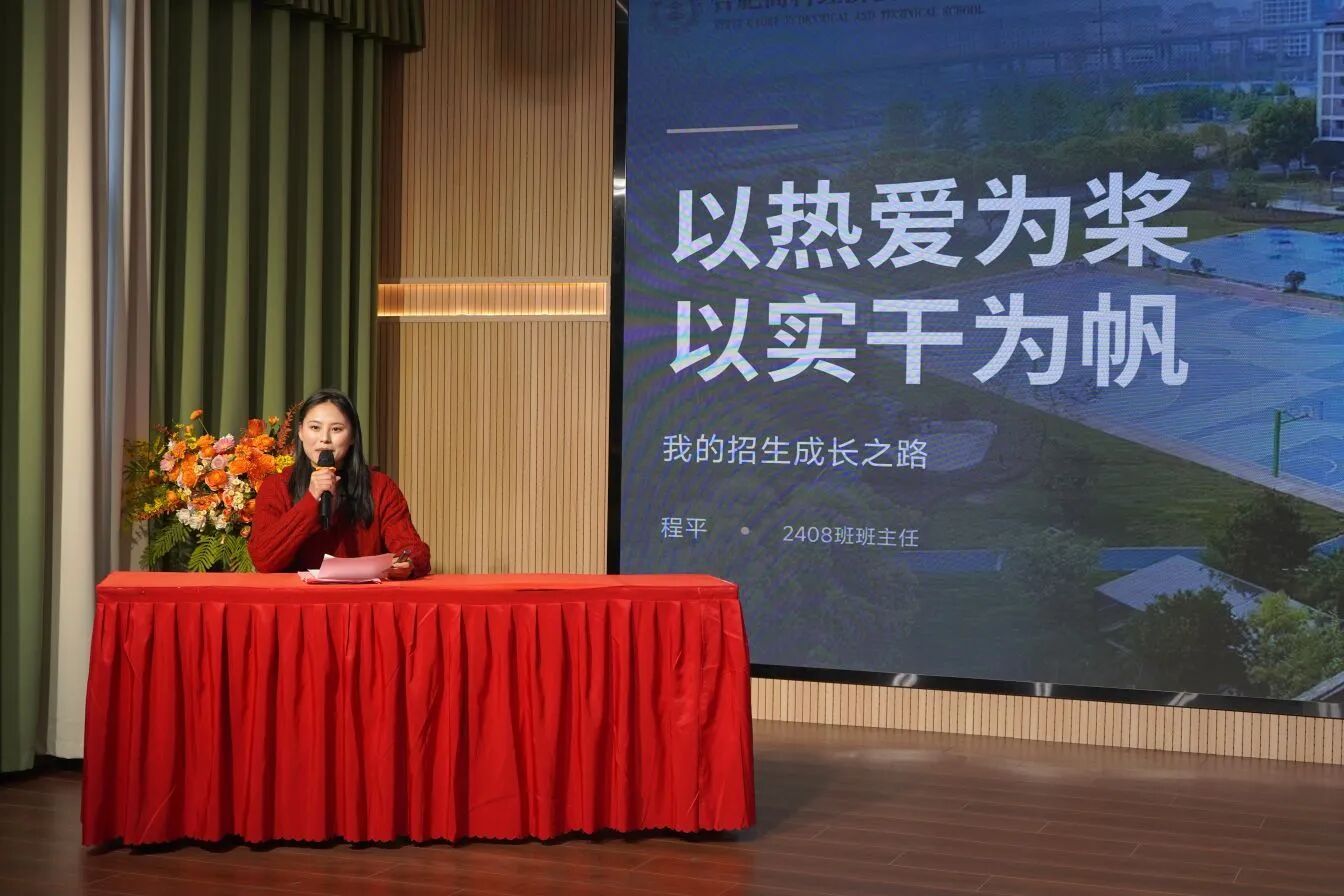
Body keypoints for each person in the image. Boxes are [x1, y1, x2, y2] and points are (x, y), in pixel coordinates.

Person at [248, 388, 430, 578]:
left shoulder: (380, 486)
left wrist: (408, 563)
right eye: (315, 428)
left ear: (352, 436)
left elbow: (415, 552)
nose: (324, 439)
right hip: (299, 596)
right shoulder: (277, 486)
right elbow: (263, 558)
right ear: (300, 432)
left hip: (364, 595)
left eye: (336, 429)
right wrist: (310, 501)